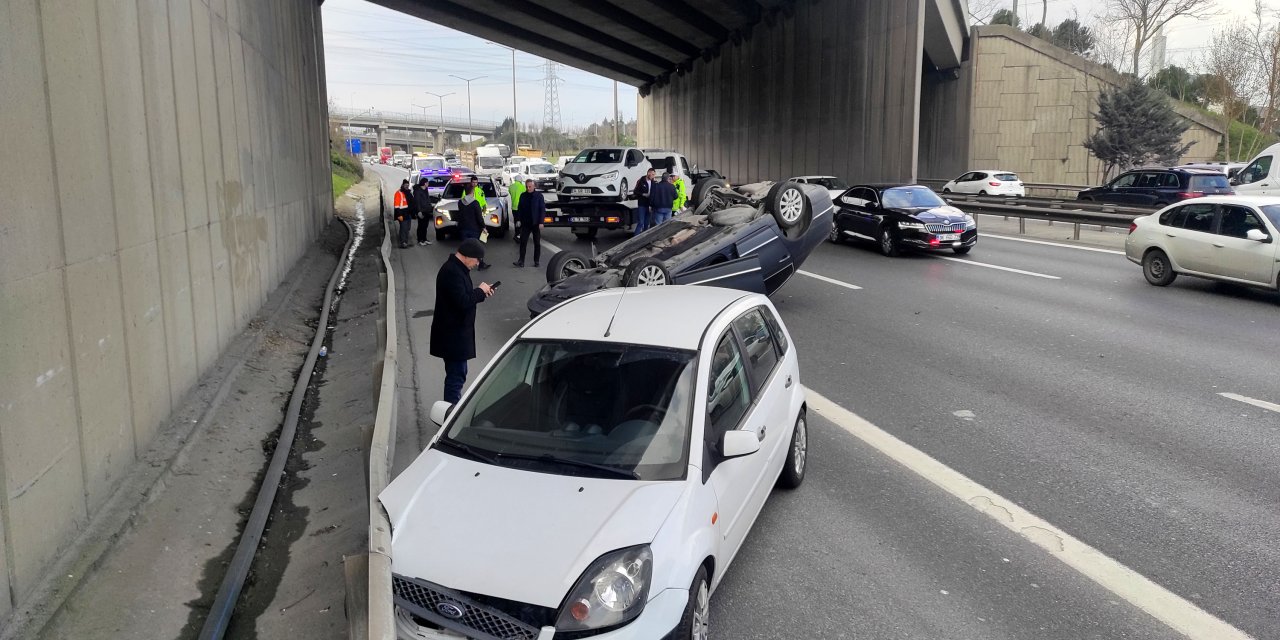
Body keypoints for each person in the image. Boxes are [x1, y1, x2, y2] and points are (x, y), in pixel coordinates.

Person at [430, 239, 495, 404]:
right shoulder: (452, 272)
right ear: (467, 256)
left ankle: (451, 411)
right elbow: (462, 301)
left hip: (454, 335)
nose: (478, 263)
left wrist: (481, 292)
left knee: (457, 374)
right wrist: (479, 291)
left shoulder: (457, 269)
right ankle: (450, 416)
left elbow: (462, 297)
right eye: (477, 259)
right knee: (456, 377)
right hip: (453, 336)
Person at [456, 176, 492, 270]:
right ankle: (480, 264)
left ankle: (463, 265)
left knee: (465, 247)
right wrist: (483, 227)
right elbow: (479, 217)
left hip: (464, 228)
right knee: (477, 246)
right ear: (471, 192)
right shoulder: (475, 203)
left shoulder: (460, 202)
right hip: (474, 228)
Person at [513, 178, 546, 267]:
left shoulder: (539, 196)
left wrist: (541, 222)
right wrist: (519, 220)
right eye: (527, 187)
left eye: (530, 187)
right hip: (526, 223)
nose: (528, 188)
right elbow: (519, 209)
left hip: (535, 223)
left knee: (537, 243)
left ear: (534, 186)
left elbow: (542, 209)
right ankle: (521, 261)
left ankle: (536, 261)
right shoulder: (523, 195)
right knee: (523, 242)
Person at [632, 168, 656, 235]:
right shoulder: (641, 180)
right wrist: (643, 194)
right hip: (642, 204)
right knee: (641, 222)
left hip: (649, 204)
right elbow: (635, 191)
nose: (653, 176)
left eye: (654, 174)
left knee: (646, 223)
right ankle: (635, 238)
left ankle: (644, 237)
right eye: (652, 174)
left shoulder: (653, 182)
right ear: (648, 173)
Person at [412, 177, 433, 246]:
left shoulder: (426, 190)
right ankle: (420, 240)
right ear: (424, 183)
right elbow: (417, 202)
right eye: (427, 182)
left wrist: (430, 207)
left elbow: (427, 199)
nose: (428, 183)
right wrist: (419, 211)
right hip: (421, 211)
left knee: (425, 226)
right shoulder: (418, 191)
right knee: (421, 225)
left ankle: (424, 239)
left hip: (426, 210)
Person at [393, 179, 413, 248]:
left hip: (408, 214)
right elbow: (396, 206)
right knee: (403, 229)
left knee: (407, 228)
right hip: (402, 214)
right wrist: (399, 215)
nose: (407, 186)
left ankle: (405, 242)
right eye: (405, 185)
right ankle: (403, 243)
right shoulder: (399, 193)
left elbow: (411, 203)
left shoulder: (408, 193)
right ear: (402, 185)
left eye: (408, 185)